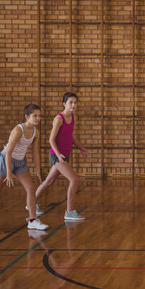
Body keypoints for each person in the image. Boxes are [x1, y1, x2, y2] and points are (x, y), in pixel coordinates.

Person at [0, 104, 49, 232]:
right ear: (26, 116)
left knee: (31, 188)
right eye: (35, 116)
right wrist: (8, 172)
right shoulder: (18, 130)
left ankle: (32, 220)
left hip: (20, 162)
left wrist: (38, 171)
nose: (38, 118)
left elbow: (35, 152)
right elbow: (8, 152)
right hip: (5, 159)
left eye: (39, 115)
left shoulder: (36, 132)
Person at [35, 92, 88, 221]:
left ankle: (31, 203)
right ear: (64, 103)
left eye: (75, 102)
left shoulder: (72, 117)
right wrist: (58, 155)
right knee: (75, 180)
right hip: (57, 155)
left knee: (48, 181)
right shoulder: (59, 118)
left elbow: (70, 137)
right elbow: (51, 139)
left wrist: (81, 148)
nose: (73, 105)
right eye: (70, 102)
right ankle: (69, 212)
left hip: (64, 155)